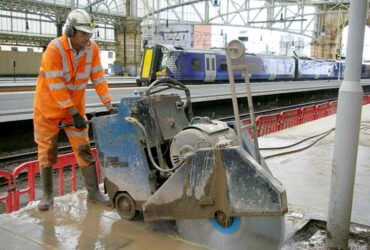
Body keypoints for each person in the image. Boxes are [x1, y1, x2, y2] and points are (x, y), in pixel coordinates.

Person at [33, 9, 116, 211]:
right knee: (47, 149)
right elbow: (56, 85)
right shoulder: (54, 49)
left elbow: (98, 77)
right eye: (83, 34)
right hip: (48, 107)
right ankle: (47, 196)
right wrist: (73, 113)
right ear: (70, 31)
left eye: (89, 34)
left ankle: (94, 193)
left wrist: (109, 105)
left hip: (75, 108)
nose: (87, 38)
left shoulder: (91, 48)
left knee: (83, 148)